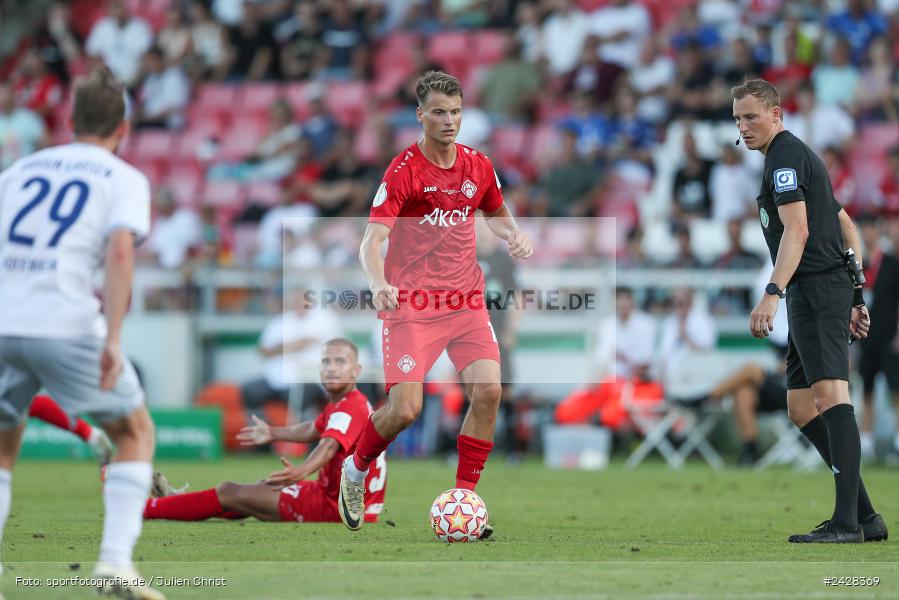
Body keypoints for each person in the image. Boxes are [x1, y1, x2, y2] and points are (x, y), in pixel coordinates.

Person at [339, 71, 533, 534]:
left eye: (456, 112)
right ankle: (356, 469)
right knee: (405, 410)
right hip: (412, 305)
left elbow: (496, 213)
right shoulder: (403, 172)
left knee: (488, 391)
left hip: (465, 300)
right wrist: (378, 283)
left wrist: (513, 236)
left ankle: (465, 498)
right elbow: (371, 242)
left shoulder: (478, 165)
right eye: (440, 112)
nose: (449, 121)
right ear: (421, 115)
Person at [0, 67, 163, 597]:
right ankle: (114, 564)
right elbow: (120, 252)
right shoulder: (123, 178)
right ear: (124, 127)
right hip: (64, 323)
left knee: (3, 445)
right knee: (134, 433)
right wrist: (113, 339)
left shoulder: (19, 169)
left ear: (69, 121)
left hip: (4, 320)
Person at [733, 78, 886, 543]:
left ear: (777, 114)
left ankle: (846, 525)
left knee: (832, 398)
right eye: (738, 119)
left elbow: (797, 231)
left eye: (752, 116)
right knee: (800, 408)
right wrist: (857, 292)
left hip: (814, 289)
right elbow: (845, 225)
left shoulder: (784, 155)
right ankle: (866, 516)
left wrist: (772, 292)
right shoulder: (792, 157)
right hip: (819, 290)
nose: (744, 127)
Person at [145, 339, 387, 525]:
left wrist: (301, 471)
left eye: (340, 362)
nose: (331, 368)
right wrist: (273, 432)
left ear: (356, 370)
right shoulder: (350, 402)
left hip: (335, 507)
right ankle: (172, 504)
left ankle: (147, 508)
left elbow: (328, 446)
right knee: (254, 491)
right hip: (347, 501)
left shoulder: (349, 408)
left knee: (230, 491)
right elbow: (313, 429)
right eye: (326, 362)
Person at [855, 214, 899, 461]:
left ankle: (897, 442)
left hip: (888, 336)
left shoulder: (892, 264)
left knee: (896, 390)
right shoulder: (857, 264)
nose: (868, 233)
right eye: (864, 228)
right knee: (867, 390)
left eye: (871, 228)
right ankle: (867, 442)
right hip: (865, 337)